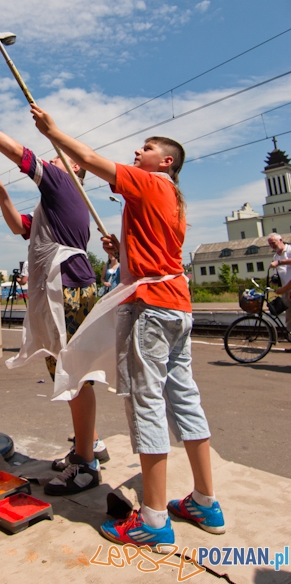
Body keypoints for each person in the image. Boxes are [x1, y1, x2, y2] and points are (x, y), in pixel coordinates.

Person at [30, 103, 225, 550]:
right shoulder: (172, 198)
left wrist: (54, 132)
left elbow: (95, 162)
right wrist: (121, 250)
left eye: (149, 147)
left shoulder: (149, 180)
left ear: (167, 161)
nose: (139, 151)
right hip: (178, 307)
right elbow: (157, 251)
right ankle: (204, 501)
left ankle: (154, 520)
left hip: (152, 310)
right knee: (184, 399)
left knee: (146, 405)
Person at [0, 100, 109, 494]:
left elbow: (17, 153)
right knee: (71, 375)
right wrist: (3, 194)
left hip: (68, 293)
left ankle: (86, 462)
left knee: (74, 377)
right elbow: (17, 227)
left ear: (76, 167)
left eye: (59, 158)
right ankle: (88, 445)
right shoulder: (54, 204)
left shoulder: (63, 184)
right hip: (68, 291)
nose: (51, 160)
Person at [268, 234, 291, 344]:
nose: (272, 245)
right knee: (289, 318)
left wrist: (280, 262)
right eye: (270, 244)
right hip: (286, 290)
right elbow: (279, 273)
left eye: (273, 242)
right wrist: (274, 280)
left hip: (289, 288)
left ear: (281, 240)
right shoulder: (276, 256)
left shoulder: (290, 250)